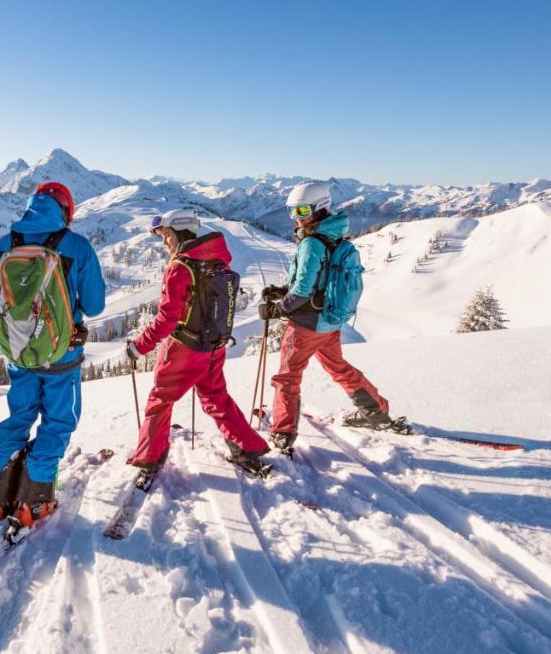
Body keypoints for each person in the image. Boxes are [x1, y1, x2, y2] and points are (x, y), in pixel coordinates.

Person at [0, 181, 106, 527]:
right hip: (61, 354)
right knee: (57, 421)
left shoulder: (5, 243)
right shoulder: (76, 246)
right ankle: (33, 504)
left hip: (20, 352)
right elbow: (96, 304)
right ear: (66, 211)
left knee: (18, 417)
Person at [125, 208, 270, 479]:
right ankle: (247, 448)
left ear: (180, 233)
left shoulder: (180, 268)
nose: (164, 242)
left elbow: (167, 320)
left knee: (160, 399)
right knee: (216, 396)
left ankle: (149, 458)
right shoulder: (218, 261)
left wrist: (138, 346)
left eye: (166, 235)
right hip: (214, 347)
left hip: (183, 348)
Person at [259, 181, 392, 450]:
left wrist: (278, 308)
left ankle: (282, 432)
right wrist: (282, 291)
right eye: (292, 211)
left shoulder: (311, 242)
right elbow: (317, 280)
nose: (297, 218)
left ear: (320, 209)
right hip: (328, 321)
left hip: (306, 324)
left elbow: (304, 290)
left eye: (303, 211)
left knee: (287, 376)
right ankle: (375, 410)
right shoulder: (331, 235)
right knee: (338, 367)